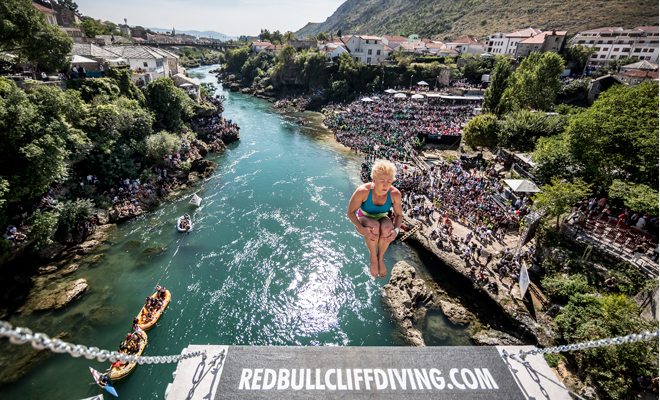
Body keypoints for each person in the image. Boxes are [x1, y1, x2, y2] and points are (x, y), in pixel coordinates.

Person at [347, 159, 403, 278]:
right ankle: (373, 257)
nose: (386, 185)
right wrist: (361, 228)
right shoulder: (363, 191)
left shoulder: (395, 194)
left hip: (382, 216)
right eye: (382, 181)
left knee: (388, 228)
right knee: (374, 226)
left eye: (389, 181)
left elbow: (399, 215)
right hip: (364, 217)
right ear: (374, 180)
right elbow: (350, 212)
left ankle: (380, 258)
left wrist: (396, 231)